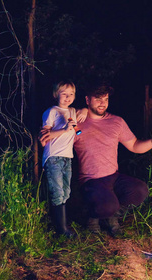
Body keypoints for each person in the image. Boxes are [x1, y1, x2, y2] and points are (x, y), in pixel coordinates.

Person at [73, 84, 152, 235]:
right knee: (108, 205)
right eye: (98, 99)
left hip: (113, 177)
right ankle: (93, 215)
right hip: (90, 181)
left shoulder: (116, 122)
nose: (103, 103)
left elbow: (135, 146)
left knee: (140, 190)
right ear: (87, 100)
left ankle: (111, 216)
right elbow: (61, 119)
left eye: (106, 99)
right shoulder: (76, 121)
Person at [40, 80, 87, 237]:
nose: (68, 97)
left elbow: (77, 131)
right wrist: (63, 130)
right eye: (64, 94)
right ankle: (61, 230)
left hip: (68, 157)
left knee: (66, 192)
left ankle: (62, 225)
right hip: (53, 156)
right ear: (56, 95)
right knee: (58, 192)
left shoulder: (73, 111)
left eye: (71, 94)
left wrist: (85, 110)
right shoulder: (51, 111)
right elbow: (44, 138)